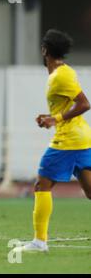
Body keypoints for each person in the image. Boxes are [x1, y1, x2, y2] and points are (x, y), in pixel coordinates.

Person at [19, 29, 91, 252]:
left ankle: (40, 242)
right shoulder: (61, 74)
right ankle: (39, 241)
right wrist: (49, 117)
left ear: (44, 50)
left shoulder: (61, 75)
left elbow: (84, 104)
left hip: (67, 141)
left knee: (42, 185)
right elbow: (69, 105)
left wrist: (56, 119)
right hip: (82, 140)